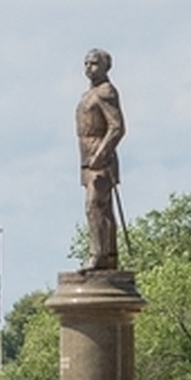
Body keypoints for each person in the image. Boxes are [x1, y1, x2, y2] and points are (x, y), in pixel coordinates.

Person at [75, 47, 125, 270]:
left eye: (94, 63)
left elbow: (116, 128)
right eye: (86, 63)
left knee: (94, 206)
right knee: (102, 208)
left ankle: (99, 255)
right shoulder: (87, 94)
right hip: (87, 158)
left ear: (106, 66)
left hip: (99, 158)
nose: (89, 67)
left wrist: (100, 154)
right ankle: (109, 255)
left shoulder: (106, 92)